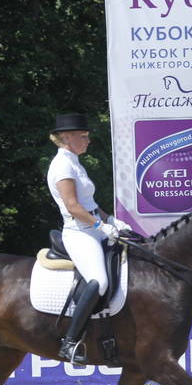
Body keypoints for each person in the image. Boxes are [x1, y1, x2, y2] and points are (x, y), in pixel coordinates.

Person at [46, 113, 131, 364]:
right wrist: (100, 226)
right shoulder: (62, 165)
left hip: (94, 226)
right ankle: (70, 343)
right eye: (82, 137)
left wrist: (111, 220)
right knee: (99, 281)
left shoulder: (75, 163)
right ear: (66, 138)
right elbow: (73, 207)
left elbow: (90, 204)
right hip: (79, 233)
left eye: (87, 136)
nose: (87, 141)